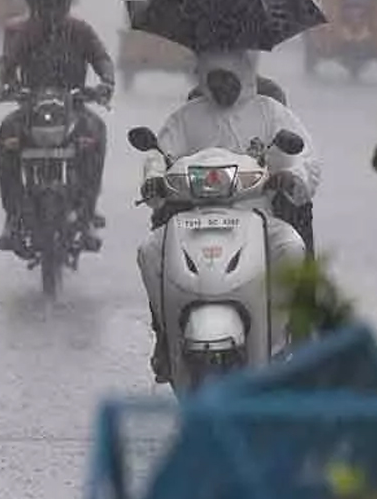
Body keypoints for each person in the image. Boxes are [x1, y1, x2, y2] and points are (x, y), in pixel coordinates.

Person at [136, 48, 320, 384]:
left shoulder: (271, 112)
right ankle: (166, 338)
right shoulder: (186, 117)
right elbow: (159, 154)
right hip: (192, 220)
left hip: (258, 219)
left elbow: (305, 157)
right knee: (149, 252)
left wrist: (294, 177)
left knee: (292, 247)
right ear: (204, 79)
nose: (222, 86)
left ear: (245, 77)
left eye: (229, 79)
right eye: (215, 79)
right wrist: (153, 178)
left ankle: (277, 341)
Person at [0, 0, 115, 250]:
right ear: (39, 8)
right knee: (6, 137)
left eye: (58, 9)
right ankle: (14, 212)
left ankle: (87, 208)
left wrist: (106, 83)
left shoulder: (81, 31)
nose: (53, 16)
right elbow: (6, 62)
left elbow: (101, 58)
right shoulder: (27, 33)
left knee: (96, 133)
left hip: (74, 107)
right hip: (30, 108)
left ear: (66, 8)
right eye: (47, 9)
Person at [186, 74, 315, 252]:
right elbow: (173, 154)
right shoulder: (197, 99)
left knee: (292, 246)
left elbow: (301, 158)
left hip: (260, 208)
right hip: (202, 209)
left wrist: (291, 177)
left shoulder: (269, 95)